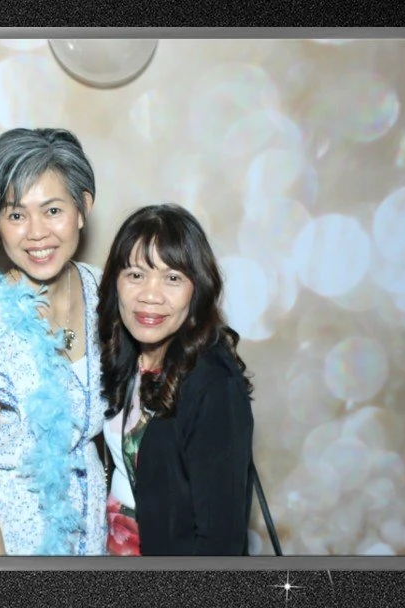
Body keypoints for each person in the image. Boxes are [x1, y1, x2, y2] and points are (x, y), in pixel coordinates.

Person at [0, 127, 107, 555]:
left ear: (83, 208)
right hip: (7, 547)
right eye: (16, 215)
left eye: (52, 210)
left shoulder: (106, 294)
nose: (36, 233)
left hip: (89, 534)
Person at [97, 204, 256, 555]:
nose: (150, 296)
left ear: (196, 290)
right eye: (136, 275)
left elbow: (220, 543)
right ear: (115, 283)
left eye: (172, 278)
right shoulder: (120, 356)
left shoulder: (213, 385)